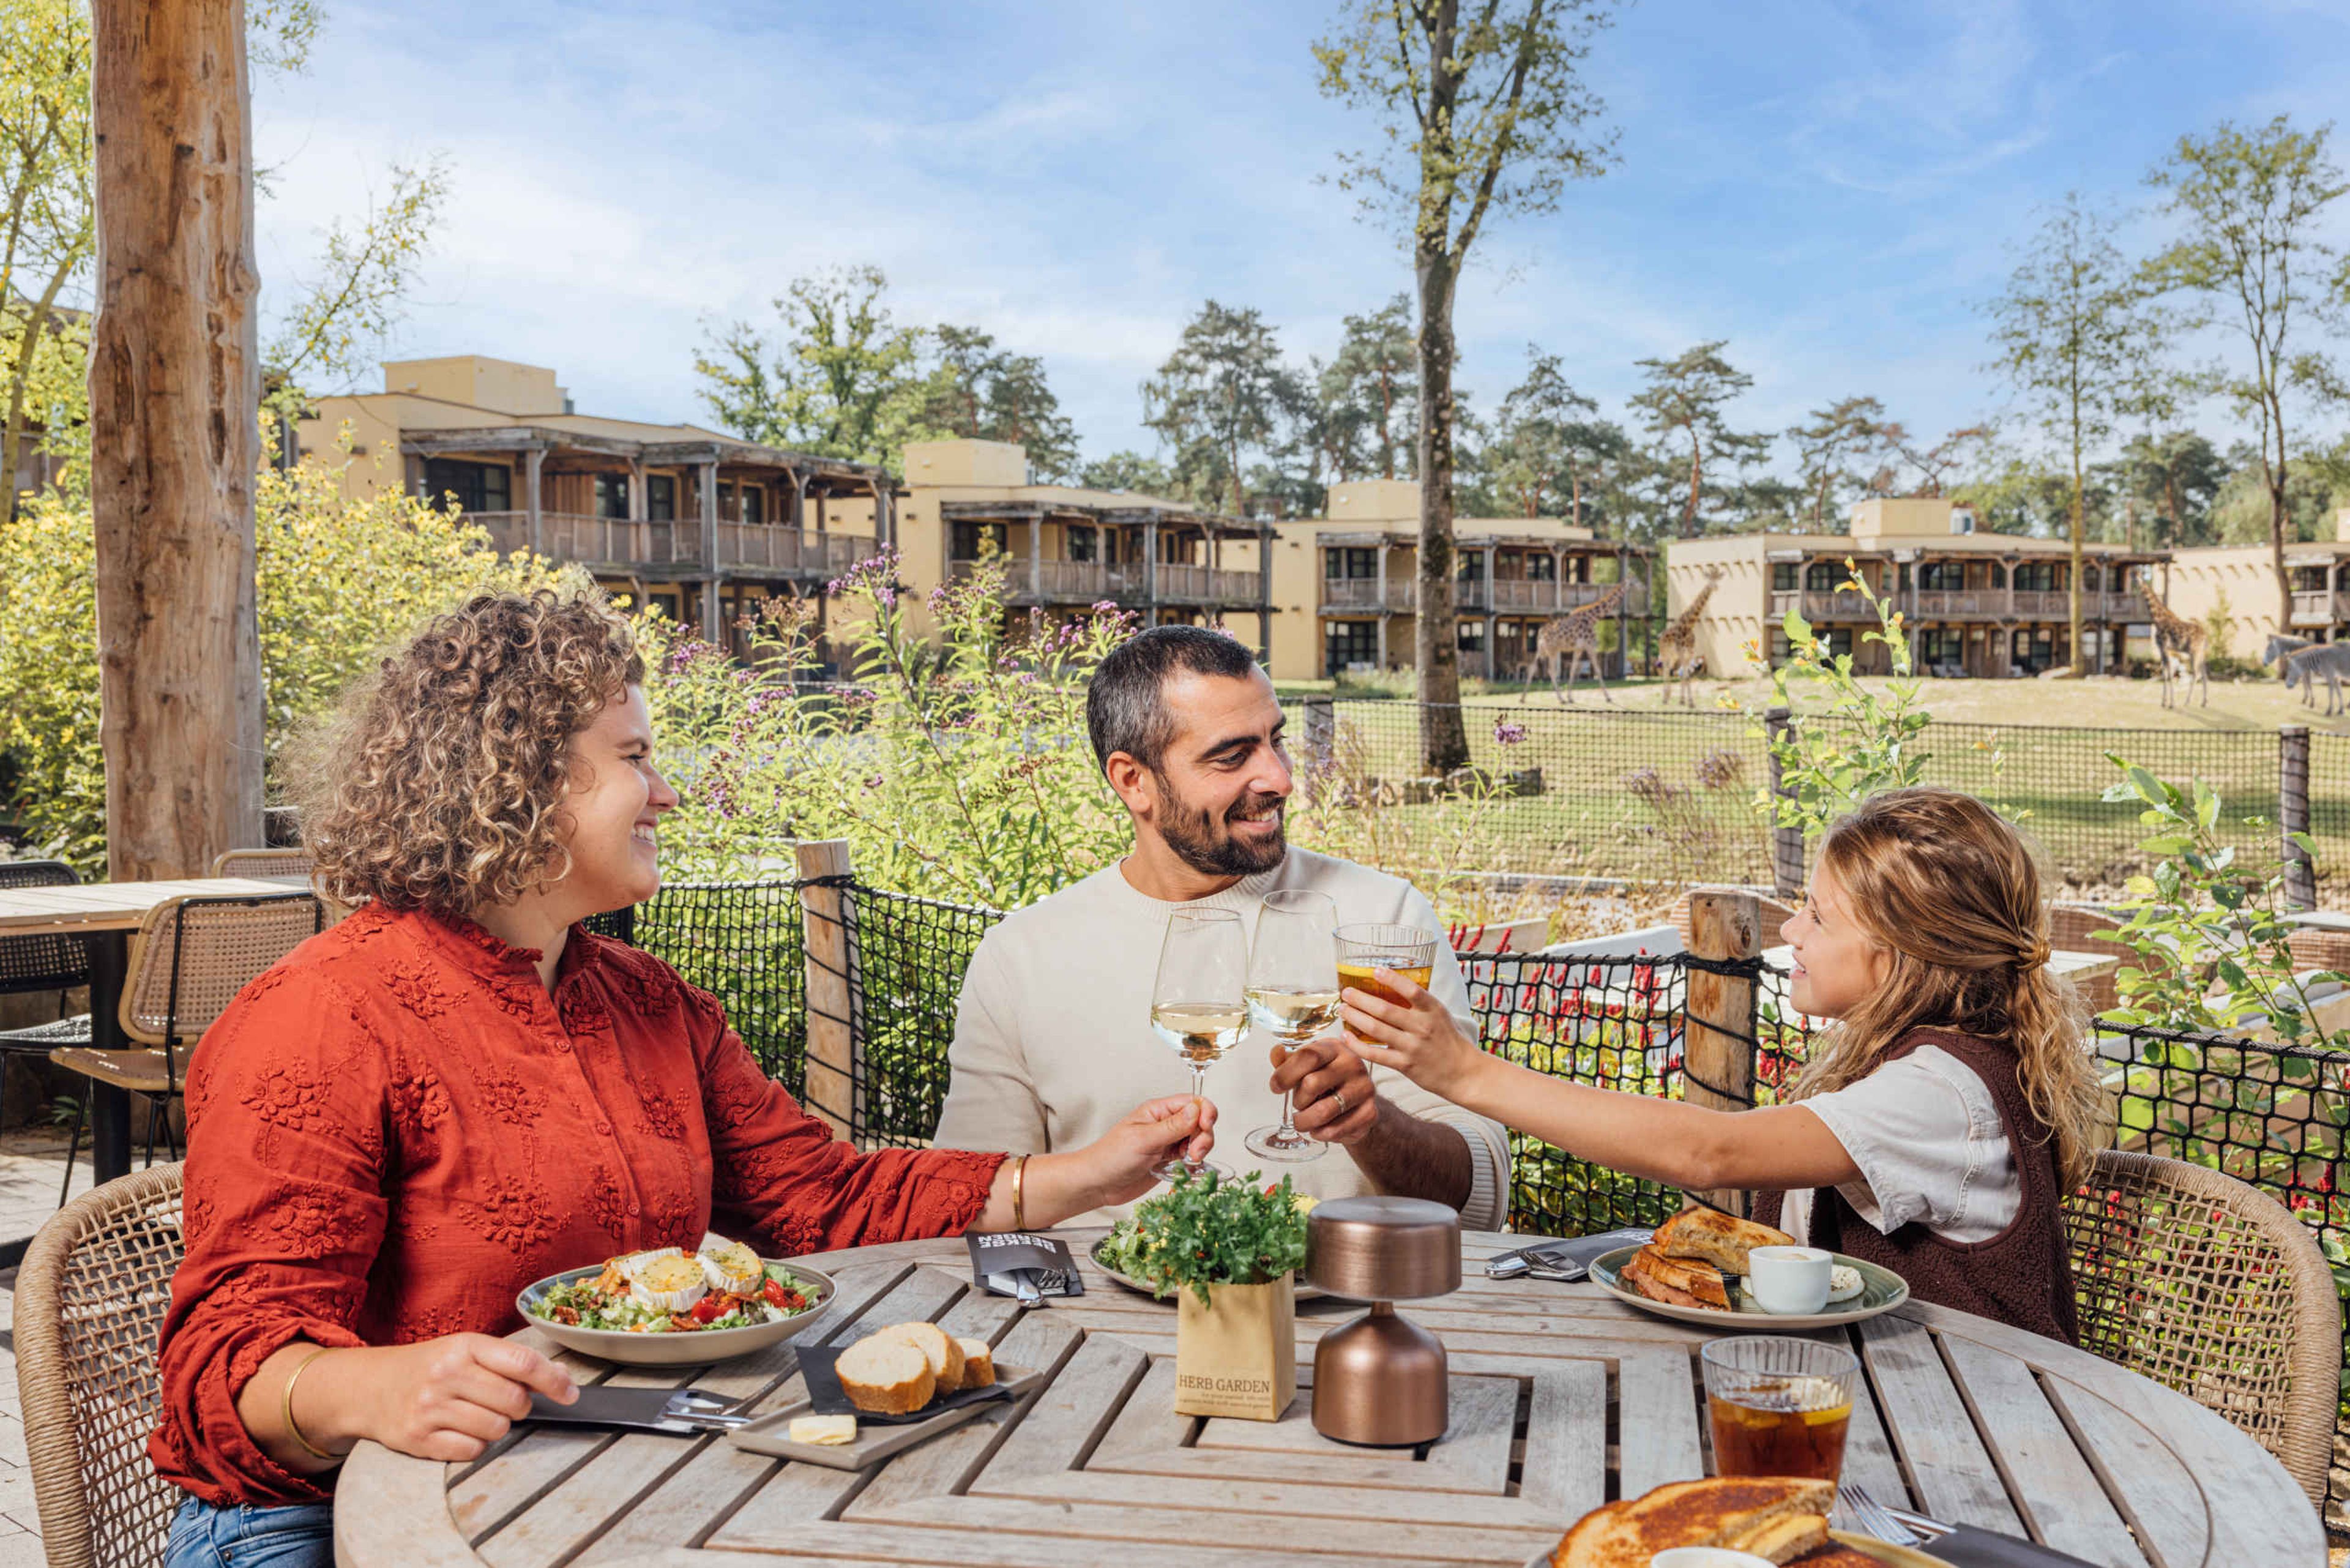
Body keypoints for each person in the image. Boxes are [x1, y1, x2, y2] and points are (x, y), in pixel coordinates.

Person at [153, 591, 1216, 1568]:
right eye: (634, 757)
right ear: (514, 780)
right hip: (332, 1514)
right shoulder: (322, 1015)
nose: (667, 790)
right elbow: (221, 1367)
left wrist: (1087, 1173)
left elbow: (818, 1198)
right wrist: (373, 1384)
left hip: (600, 1470)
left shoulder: (649, 999)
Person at [1341, 786, 2105, 1340]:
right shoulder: (1911, 1065)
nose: (1793, 930)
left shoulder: (1943, 1093)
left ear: (1904, 952)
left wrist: (1468, 1076)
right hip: (1904, 1405)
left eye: (1818, 915)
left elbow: (1709, 1154)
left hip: (1984, 1427)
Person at [933, 624, 1511, 1227]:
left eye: (1275, 742)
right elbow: (964, 1199)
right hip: (1099, 1317)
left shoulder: (1380, 918)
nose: (1281, 779)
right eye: (1232, 757)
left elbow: (1480, 1204)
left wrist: (1372, 1125)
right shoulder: (1021, 956)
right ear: (1134, 782)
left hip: (1336, 1315)